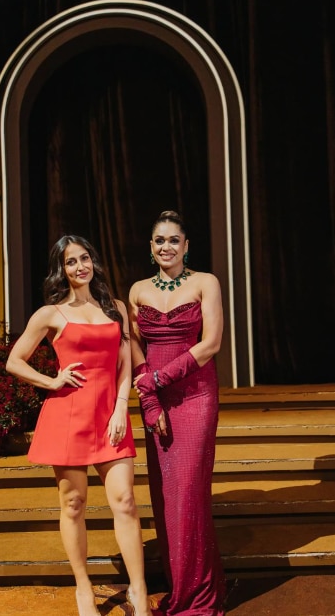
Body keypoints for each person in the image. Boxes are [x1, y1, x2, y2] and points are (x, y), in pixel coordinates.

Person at [6, 235, 151, 616]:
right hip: (68, 415)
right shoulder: (50, 314)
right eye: (71, 262)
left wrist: (121, 408)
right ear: (61, 269)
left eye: (84, 258)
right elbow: (14, 361)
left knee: (125, 501)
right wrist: (52, 381)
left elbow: (125, 363)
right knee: (73, 504)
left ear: (93, 261)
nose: (80, 266)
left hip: (110, 415)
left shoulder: (115, 308)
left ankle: (138, 589)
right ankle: (83, 588)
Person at [128, 211, 226, 616]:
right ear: (151, 248)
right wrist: (149, 400)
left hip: (195, 394)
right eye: (159, 240)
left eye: (173, 240)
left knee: (188, 493)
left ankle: (197, 598)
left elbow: (211, 343)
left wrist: (158, 379)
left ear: (186, 246)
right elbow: (134, 347)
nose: (166, 246)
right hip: (155, 398)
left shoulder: (206, 283)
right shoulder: (137, 290)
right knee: (166, 495)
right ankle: (180, 585)